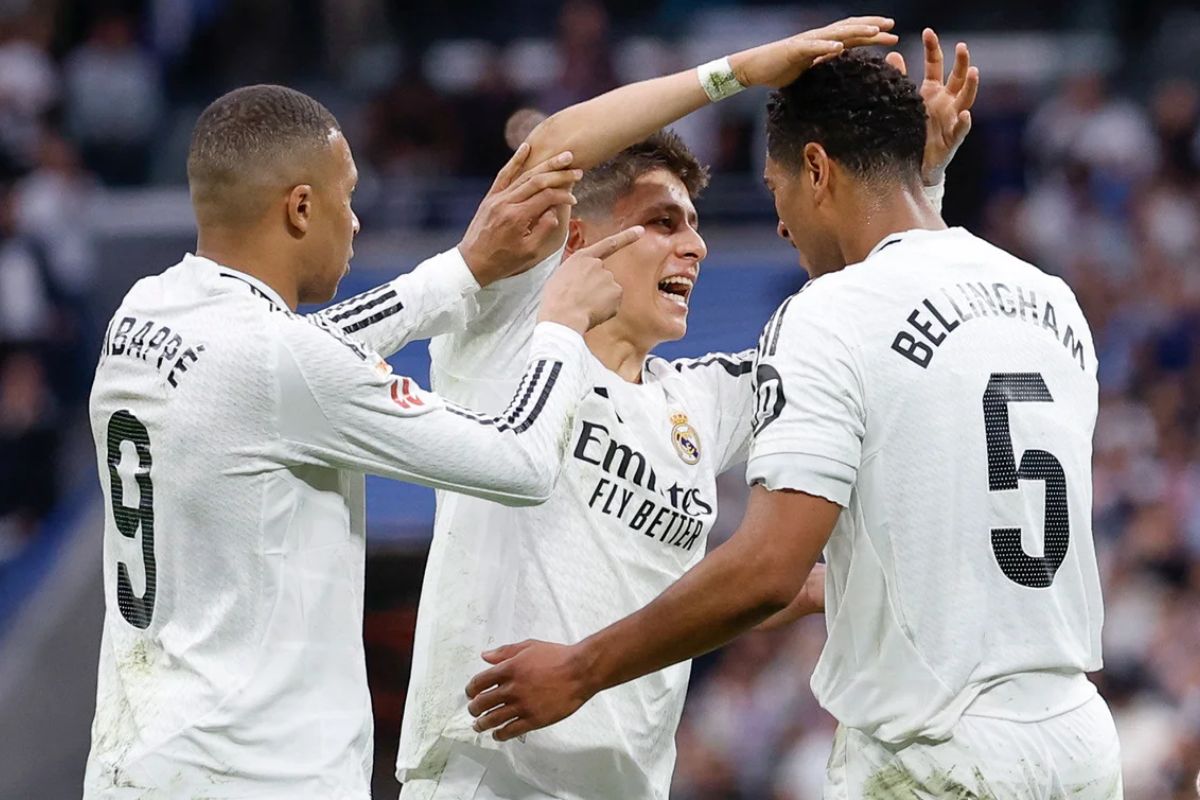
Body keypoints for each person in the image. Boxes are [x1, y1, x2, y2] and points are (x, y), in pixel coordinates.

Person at [466, 51, 1124, 799]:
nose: (780, 224)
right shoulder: (1051, 300)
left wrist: (581, 668)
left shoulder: (828, 315)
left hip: (939, 752)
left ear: (816, 169)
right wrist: (921, 178)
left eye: (777, 190)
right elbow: (919, 364)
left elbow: (767, 569)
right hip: (1078, 736)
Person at [399, 23, 977, 800]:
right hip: (491, 778)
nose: (695, 246)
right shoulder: (507, 339)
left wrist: (912, 182)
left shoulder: (704, 397)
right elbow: (551, 150)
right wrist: (736, 73)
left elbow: (868, 321)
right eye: (665, 221)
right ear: (574, 238)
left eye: (696, 225)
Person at [83, 83, 639, 799]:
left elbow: (295, 356)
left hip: (133, 762)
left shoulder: (145, 311)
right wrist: (561, 326)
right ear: (301, 207)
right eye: (347, 198)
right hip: (258, 774)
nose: (355, 221)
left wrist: (465, 269)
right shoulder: (283, 362)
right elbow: (521, 462)